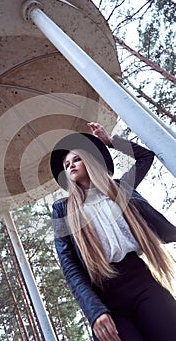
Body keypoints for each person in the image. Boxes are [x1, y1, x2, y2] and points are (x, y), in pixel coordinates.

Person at [50, 122, 176, 341]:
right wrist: (94, 311)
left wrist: (110, 142)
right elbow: (69, 265)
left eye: (76, 159)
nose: (70, 165)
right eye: (66, 163)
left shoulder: (120, 188)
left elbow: (146, 157)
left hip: (142, 281)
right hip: (105, 296)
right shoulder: (62, 209)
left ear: (90, 160)